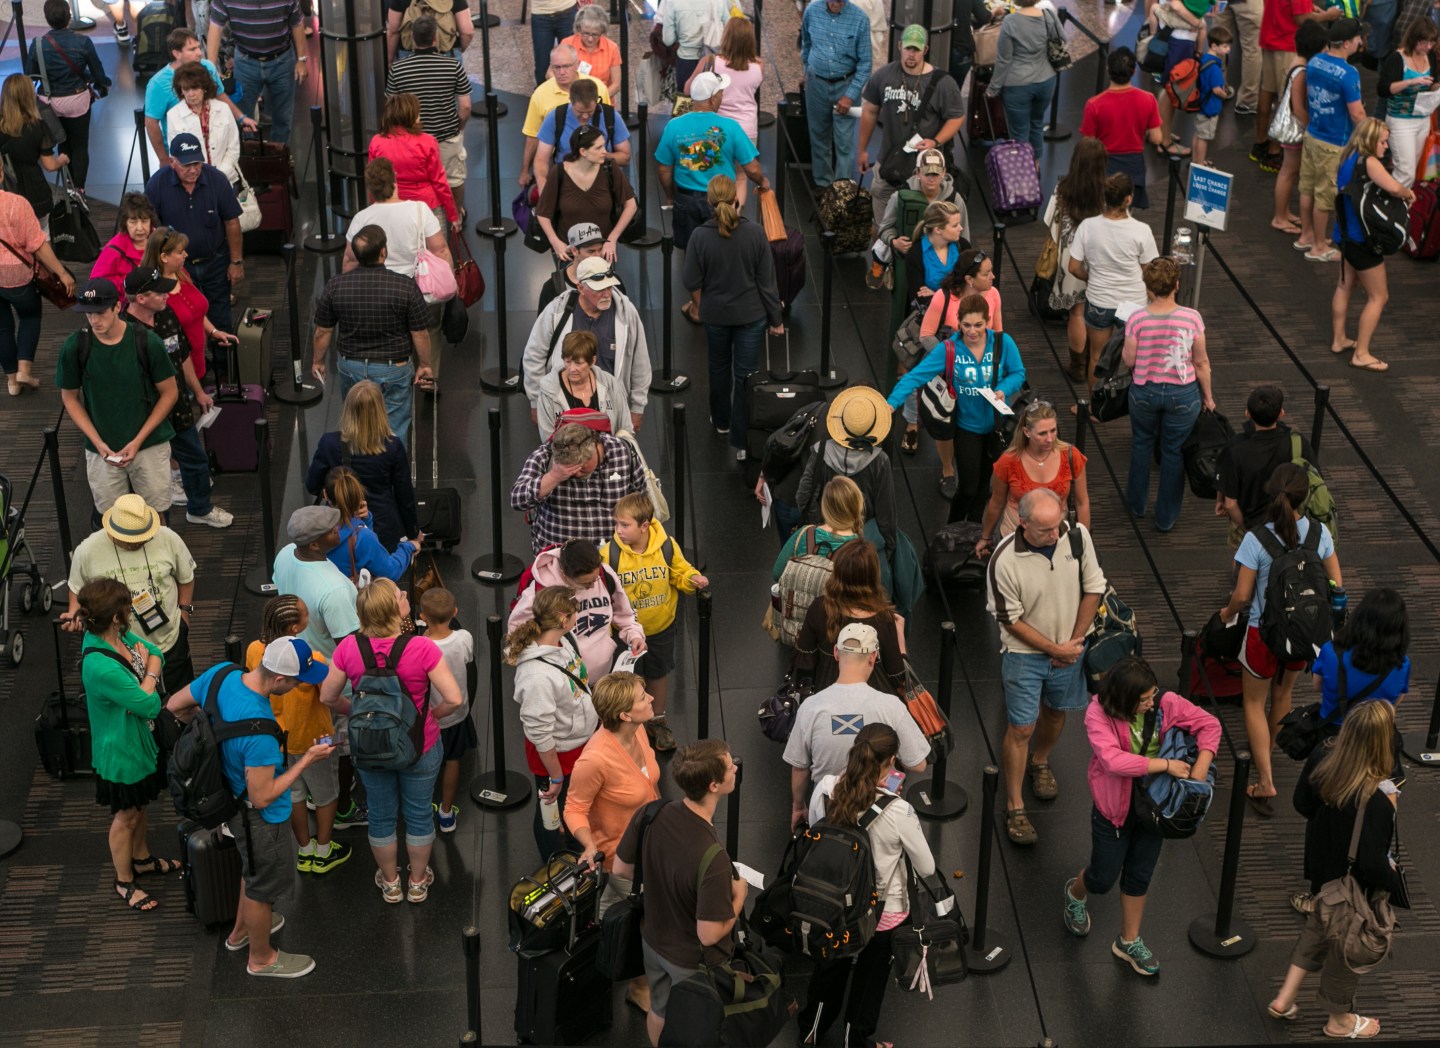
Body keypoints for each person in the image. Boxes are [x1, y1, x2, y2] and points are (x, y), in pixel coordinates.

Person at [166, 638, 334, 978]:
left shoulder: (220, 674)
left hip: (227, 799)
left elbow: (174, 706)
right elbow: (263, 796)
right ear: (279, 681)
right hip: (258, 817)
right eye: (299, 681)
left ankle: (241, 932)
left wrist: (215, 730)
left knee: (251, 871)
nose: (301, 685)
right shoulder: (261, 733)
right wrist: (306, 762)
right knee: (262, 888)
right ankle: (262, 958)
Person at [1063, 656, 1220, 977]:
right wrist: (1166, 766)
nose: (1152, 702)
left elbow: (1209, 724)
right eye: (1144, 699)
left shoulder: (1166, 702)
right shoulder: (1097, 713)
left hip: (1155, 806)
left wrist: (1200, 770)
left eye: (1153, 695)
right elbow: (1111, 760)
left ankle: (1129, 941)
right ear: (1124, 698)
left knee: (1140, 874)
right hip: (1114, 809)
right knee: (1102, 877)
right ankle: (1075, 892)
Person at [1265, 700, 1406, 1037]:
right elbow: (1372, 863)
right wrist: (1393, 879)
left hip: (1323, 869)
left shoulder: (1323, 757)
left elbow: (1301, 803)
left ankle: (1284, 998)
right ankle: (1339, 1021)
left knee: (1318, 924)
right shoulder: (1376, 800)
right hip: (1353, 886)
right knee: (1347, 950)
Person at [319, 579, 462, 903]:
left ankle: (390, 882)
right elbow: (454, 698)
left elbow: (328, 696)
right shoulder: (422, 647)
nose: (404, 596)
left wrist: (354, 708)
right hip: (420, 746)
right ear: (393, 609)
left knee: (382, 816)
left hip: (369, 746)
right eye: (399, 595)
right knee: (419, 813)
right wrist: (432, 716)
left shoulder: (348, 649)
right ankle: (417, 881)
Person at [801, 722, 936, 1048]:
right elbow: (927, 867)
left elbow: (815, 831)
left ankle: (811, 1033)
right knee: (870, 980)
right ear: (891, 764)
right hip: (881, 912)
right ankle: (855, 1040)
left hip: (834, 905)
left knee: (829, 972)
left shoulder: (826, 787)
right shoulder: (899, 810)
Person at [1217, 462, 1341, 817]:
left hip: (1262, 634)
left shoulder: (1256, 539)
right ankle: (1268, 749)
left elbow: (1242, 596)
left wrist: (1226, 615)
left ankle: (1265, 778)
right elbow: (1336, 586)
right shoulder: (1319, 534)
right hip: (1302, 634)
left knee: (1253, 703)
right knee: (1282, 694)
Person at [986, 488, 1106, 846]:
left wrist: (1073, 643)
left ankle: (1041, 761)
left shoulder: (1077, 536)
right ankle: (1015, 806)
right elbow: (1010, 620)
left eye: (1057, 526)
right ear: (1022, 523)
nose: (1055, 535)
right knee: (1021, 727)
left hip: (1071, 648)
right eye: (1045, 530)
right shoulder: (1004, 561)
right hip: (1024, 656)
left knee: (1055, 714)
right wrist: (1055, 648)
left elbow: (1093, 589)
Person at [612, 739, 746, 1047]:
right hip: (690, 962)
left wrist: (660, 880)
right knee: (699, 1027)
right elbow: (709, 934)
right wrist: (739, 896)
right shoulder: (712, 858)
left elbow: (620, 868)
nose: (735, 767)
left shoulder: (651, 812)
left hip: (652, 940)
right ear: (714, 785)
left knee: (659, 1009)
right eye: (729, 766)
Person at [74, 577, 177, 914]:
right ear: (116, 617)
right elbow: (149, 704)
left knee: (140, 806)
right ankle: (124, 880)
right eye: (126, 608)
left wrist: (149, 665)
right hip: (122, 752)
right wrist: (149, 673)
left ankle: (142, 859)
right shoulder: (101, 664)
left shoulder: (113, 634)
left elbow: (156, 651)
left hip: (139, 742)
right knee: (126, 816)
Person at [563, 671, 660, 1012]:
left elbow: (649, 786)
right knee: (650, 920)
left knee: (642, 915)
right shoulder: (595, 759)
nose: (649, 698)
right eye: (642, 697)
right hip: (621, 858)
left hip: (650, 846)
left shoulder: (640, 731)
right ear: (624, 715)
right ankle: (640, 986)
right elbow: (574, 808)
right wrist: (589, 846)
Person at [887, 294, 1027, 522]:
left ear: (988, 321)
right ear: (959, 323)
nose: (972, 331)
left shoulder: (1003, 343)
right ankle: (952, 528)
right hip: (966, 428)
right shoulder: (949, 349)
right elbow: (914, 377)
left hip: (997, 427)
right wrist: (891, 404)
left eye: (979, 325)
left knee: (984, 486)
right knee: (969, 487)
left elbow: (1019, 373)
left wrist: (1002, 389)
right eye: (967, 325)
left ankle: (972, 531)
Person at [120, 265, 235, 529]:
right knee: (148, 477)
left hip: (179, 405)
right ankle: (154, 529)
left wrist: (198, 392)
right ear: (140, 299)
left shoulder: (165, 313)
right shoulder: (124, 331)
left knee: (195, 460)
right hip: (144, 416)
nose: (166, 295)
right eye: (159, 292)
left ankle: (200, 508)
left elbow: (182, 355)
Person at [784, 622, 930, 829]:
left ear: (836, 653)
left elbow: (799, 767)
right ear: (873, 657)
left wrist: (798, 807)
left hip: (827, 814)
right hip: (879, 815)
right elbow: (918, 763)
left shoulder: (810, 707)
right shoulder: (891, 706)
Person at [681, 173, 784, 462]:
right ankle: (741, 439)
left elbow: (690, 278)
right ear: (736, 199)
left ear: (709, 201)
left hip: (715, 316)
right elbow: (767, 282)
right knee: (747, 376)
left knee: (718, 368)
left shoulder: (700, 236)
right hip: (751, 317)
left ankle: (721, 420)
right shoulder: (754, 233)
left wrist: (700, 305)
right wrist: (776, 319)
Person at [246, 596, 351, 876]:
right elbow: (329, 697)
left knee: (295, 794)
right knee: (327, 794)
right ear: (294, 628)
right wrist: (355, 709)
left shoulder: (255, 650)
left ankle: (304, 850)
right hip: (317, 740)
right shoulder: (311, 660)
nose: (308, 617)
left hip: (279, 739)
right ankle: (324, 849)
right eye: (305, 615)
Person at [56, 279, 178, 518]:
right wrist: (97, 442)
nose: (94, 321)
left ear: (117, 307)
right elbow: (70, 398)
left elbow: (170, 393)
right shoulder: (75, 346)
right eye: (88, 314)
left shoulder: (147, 341)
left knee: (155, 516)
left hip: (150, 444)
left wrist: (138, 440)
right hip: (102, 449)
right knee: (112, 520)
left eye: (100, 313)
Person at [601, 492, 707, 752]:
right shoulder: (609, 554)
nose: (619, 530)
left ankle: (656, 721)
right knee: (628, 681)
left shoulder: (666, 546)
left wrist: (692, 579)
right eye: (617, 524)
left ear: (644, 526)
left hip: (661, 629)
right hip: (624, 634)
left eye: (625, 525)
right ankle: (628, 729)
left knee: (658, 674)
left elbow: (680, 572)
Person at [310, 224, 434, 438]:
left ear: (356, 255)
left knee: (356, 424)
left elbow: (323, 331)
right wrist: (424, 364)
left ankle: (361, 468)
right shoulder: (405, 286)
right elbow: (420, 333)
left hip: (351, 367)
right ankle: (392, 469)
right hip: (393, 368)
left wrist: (318, 361)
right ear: (383, 252)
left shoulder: (336, 285)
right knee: (395, 428)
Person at [1122, 256, 1217, 532]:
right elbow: (1201, 362)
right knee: (1174, 451)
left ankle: (1136, 504)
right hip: (1183, 393)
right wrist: (1208, 398)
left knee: (1141, 444)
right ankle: (1165, 517)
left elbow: (1129, 359)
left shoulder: (1137, 318)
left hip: (1144, 391)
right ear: (1177, 284)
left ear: (1148, 288)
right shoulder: (1192, 318)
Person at [506, 584, 598, 858]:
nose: (577, 617)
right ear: (561, 617)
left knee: (572, 806)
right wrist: (555, 775)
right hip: (558, 756)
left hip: (577, 745)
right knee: (551, 814)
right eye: (574, 613)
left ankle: (571, 851)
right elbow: (539, 732)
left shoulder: (564, 641)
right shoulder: (535, 676)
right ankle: (556, 864)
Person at [341, 160, 452, 380]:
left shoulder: (361, 218)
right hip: (420, 288)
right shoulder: (420, 210)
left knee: (391, 335)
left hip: (378, 291)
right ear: (394, 179)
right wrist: (449, 278)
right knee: (429, 329)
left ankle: (397, 375)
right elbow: (440, 250)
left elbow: (349, 261)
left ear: (370, 188)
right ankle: (430, 377)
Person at [522, 257, 651, 430]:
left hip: (610, 407)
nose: (607, 294)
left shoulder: (626, 313)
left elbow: (640, 363)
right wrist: (536, 401)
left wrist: (637, 409)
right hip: (565, 408)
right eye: (599, 289)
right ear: (581, 288)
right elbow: (533, 356)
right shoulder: (557, 311)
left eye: (609, 286)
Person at [857, 24, 965, 224]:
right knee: (882, 227)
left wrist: (935, 141)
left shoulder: (942, 82)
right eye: (908, 48)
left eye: (916, 49)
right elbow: (870, 111)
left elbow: (957, 116)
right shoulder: (883, 76)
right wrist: (862, 149)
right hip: (888, 163)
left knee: (922, 225)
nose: (911, 54)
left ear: (925, 50)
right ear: (899, 46)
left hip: (924, 172)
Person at [1330, 117, 1413, 372]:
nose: (1386, 146)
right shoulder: (1369, 162)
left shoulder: (1349, 156)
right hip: (1362, 241)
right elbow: (1396, 188)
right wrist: (1409, 194)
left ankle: (1339, 339)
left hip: (1344, 234)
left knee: (1345, 286)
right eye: (1383, 141)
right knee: (1379, 296)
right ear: (1370, 141)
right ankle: (1361, 353)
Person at [1067, 173, 1158, 397]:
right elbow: (1149, 269)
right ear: (1128, 199)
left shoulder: (1088, 227)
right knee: (1135, 358)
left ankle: (1095, 409)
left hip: (1099, 300)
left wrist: (1092, 277)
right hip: (1134, 303)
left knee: (1097, 356)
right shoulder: (1142, 230)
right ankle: (1135, 404)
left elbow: (1073, 267)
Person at [145, 132, 244, 338]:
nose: (193, 170)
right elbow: (148, 228)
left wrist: (236, 261)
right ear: (172, 162)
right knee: (181, 319)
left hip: (215, 261)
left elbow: (232, 222)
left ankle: (223, 367)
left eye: (197, 164)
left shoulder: (217, 179)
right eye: (186, 165)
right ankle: (194, 369)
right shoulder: (157, 184)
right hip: (176, 267)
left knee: (221, 317)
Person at [654, 71, 769, 247]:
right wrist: (763, 182)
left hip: (686, 201)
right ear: (712, 98)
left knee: (691, 251)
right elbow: (752, 169)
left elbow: (663, 169)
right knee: (723, 249)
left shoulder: (673, 126)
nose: (722, 96)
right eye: (721, 93)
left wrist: (671, 196)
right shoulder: (731, 127)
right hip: (721, 203)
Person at [306, 379, 420, 551]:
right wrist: (413, 532)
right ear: (380, 411)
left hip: (339, 527)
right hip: (383, 529)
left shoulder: (329, 443)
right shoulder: (393, 446)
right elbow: (405, 497)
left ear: (348, 409)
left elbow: (312, 485)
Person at [511, 536, 646, 675]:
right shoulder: (540, 592)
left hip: (602, 676)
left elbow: (625, 616)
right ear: (566, 574)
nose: (593, 585)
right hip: (562, 681)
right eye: (586, 583)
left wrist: (634, 635)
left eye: (596, 577)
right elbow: (517, 637)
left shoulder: (605, 574)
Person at [511, 422, 648, 550]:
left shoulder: (623, 452)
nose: (575, 473)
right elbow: (517, 500)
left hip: (615, 554)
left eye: (581, 466)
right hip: (561, 557)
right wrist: (554, 476)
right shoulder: (544, 456)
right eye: (569, 468)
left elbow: (640, 499)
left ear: (594, 449)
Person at [978, 401, 1090, 556]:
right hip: (1016, 538)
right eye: (1042, 433)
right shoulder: (1008, 461)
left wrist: (1084, 540)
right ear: (1026, 432)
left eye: (1053, 430)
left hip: (1057, 537)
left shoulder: (1071, 456)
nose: (1050, 439)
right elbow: (996, 502)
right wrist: (986, 537)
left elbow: (1082, 502)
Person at [1296, 19, 1367, 262]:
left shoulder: (1315, 61)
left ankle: (1305, 236)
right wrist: (1369, 134)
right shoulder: (1349, 73)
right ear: (1347, 43)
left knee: (1307, 187)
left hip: (1313, 134)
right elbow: (1357, 113)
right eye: (1358, 38)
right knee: (1325, 197)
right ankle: (1318, 247)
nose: (1360, 42)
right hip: (1334, 142)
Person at [794, 539, 905, 694]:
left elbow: (804, 664)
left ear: (838, 572)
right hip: (871, 705)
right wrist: (900, 640)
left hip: (827, 697)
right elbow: (898, 677)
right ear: (873, 575)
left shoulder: (819, 608)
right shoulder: (883, 618)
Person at [797, 386, 899, 556]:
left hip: (825, 539)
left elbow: (804, 496)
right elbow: (886, 512)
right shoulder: (880, 461)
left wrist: (821, 527)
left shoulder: (820, 451)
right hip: (862, 543)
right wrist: (889, 549)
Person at [384, 15, 472, 204]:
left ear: (412, 38)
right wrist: (458, 126)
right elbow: (465, 105)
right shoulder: (453, 66)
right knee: (454, 179)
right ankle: (456, 217)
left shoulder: (398, 70)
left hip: (411, 140)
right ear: (436, 38)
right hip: (446, 137)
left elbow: (390, 107)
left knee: (416, 181)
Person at [1216, 383, 1316, 546]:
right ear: (1281, 413)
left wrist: (1250, 531)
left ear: (1247, 414)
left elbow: (1230, 503)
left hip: (1252, 526)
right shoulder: (1296, 443)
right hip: (1289, 524)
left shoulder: (1235, 449)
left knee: (1244, 562)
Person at [0, 183, 74, 396]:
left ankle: (12, 382)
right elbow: (37, 245)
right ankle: (24, 370)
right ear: (2, 173)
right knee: (30, 316)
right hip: (18, 275)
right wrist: (61, 272)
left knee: (2, 328)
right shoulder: (17, 204)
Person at [1044, 136, 1108, 379]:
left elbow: (1049, 222)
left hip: (1071, 259)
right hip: (1102, 257)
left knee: (1077, 312)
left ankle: (1078, 366)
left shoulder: (1063, 188)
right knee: (1099, 310)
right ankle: (1096, 360)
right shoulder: (1108, 192)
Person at [29, 0, 109, 192]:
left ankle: (67, 184)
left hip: (50, 104)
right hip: (77, 101)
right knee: (80, 145)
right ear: (69, 17)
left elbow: (30, 75)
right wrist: (102, 85)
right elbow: (98, 74)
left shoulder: (37, 44)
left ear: (47, 19)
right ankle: (79, 189)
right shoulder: (83, 42)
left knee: (63, 143)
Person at [139, 226, 229, 392]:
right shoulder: (154, 295)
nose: (186, 255)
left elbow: (197, 312)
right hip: (176, 373)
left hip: (197, 363)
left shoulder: (181, 272)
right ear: (164, 257)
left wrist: (213, 331)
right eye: (181, 252)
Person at [205, 0, 306, 146]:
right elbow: (215, 27)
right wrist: (211, 68)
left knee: (283, 117)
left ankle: (279, 159)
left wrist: (302, 59)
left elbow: (297, 23)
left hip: (282, 60)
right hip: (246, 61)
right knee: (242, 116)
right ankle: (251, 157)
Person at [144, 28, 250, 167]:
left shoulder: (208, 67)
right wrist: (163, 159)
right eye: (192, 49)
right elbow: (151, 123)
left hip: (215, 146)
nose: (199, 53)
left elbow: (220, 96)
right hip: (184, 155)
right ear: (176, 53)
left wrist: (241, 118)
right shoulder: (157, 83)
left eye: (199, 47)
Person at [419, 587, 476, 834]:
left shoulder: (419, 644)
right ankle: (446, 812)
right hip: (456, 714)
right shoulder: (464, 638)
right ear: (455, 612)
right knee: (453, 760)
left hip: (428, 718)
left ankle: (421, 809)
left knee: (426, 764)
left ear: (422, 616)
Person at [271, 505, 360, 659]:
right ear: (314, 545)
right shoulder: (334, 589)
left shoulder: (285, 553)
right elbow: (350, 648)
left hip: (299, 659)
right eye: (330, 530)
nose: (337, 528)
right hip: (330, 674)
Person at [801, 0, 873, 189]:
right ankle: (824, 188)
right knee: (818, 138)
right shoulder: (812, 11)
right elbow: (806, 44)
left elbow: (865, 63)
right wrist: (807, 70)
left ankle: (842, 190)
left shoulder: (860, 19)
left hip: (846, 86)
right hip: (816, 86)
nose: (836, 3)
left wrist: (850, 95)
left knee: (844, 143)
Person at [873, 148, 968, 290]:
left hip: (945, 264)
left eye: (936, 173)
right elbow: (885, 227)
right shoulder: (900, 196)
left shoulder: (955, 198)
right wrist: (894, 241)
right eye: (927, 173)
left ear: (943, 173)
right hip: (908, 263)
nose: (932, 178)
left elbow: (964, 235)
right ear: (917, 173)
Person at [535, 123, 637, 256]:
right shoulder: (559, 172)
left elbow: (631, 205)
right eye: (598, 147)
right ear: (583, 151)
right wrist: (555, 242)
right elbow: (543, 213)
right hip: (569, 252)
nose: (605, 151)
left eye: (604, 145)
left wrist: (611, 240)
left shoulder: (610, 168)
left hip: (601, 251)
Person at [521, 45, 611, 186]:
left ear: (577, 64)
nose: (562, 72)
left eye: (566, 66)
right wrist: (525, 171)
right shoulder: (540, 94)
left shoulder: (598, 88)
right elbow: (532, 135)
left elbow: (609, 123)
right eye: (556, 67)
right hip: (561, 167)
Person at [1271, 21, 1330, 236]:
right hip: (1294, 132)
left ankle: (1284, 211)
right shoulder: (1303, 72)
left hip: (1291, 130)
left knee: (1290, 172)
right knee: (1288, 172)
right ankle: (1279, 217)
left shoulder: (1298, 64)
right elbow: (1298, 107)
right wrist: (1311, 128)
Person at [1080, 52, 1160, 208]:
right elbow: (1157, 138)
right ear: (1134, 71)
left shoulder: (1094, 104)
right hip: (1134, 166)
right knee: (1127, 210)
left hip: (1104, 165)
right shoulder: (1148, 99)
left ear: (1108, 70)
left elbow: (1087, 145)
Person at [368, 93, 459, 229]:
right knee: (436, 249)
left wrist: (375, 207)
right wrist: (453, 215)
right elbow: (439, 182)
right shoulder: (428, 142)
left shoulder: (376, 142)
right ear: (410, 116)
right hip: (427, 206)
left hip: (391, 205)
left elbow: (373, 180)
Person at [987, 0, 1058, 159]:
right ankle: (1036, 167)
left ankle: (1024, 174)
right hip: (1046, 81)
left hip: (1017, 84)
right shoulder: (1049, 15)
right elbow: (1063, 40)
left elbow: (1004, 60)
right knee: (1037, 125)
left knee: (1020, 132)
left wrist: (993, 88)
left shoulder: (1010, 21)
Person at [322, 466, 419, 584]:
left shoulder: (313, 526)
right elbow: (391, 571)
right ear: (358, 494)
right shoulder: (363, 537)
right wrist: (408, 546)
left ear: (325, 494)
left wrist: (365, 521)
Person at [533, 78, 631, 192]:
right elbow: (541, 159)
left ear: (596, 101)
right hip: (565, 183)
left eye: (590, 112)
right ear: (571, 101)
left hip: (602, 184)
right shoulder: (556, 117)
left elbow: (625, 157)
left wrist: (599, 155)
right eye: (579, 112)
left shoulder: (610, 116)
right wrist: (542, 185)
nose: (585, 117)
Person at [0, 73, 70, 228]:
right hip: (34, 193)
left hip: (6, 191)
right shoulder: (38, 126)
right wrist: (62, 160)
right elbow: (50, 165)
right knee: (41, 237)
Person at [1377, 18, 1440, 189]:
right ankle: (1391, 208)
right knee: (1406, 172)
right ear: (1413, 39)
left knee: (1414, 167)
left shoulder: (1430, 56)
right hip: (1400, 120)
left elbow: (1432, 83)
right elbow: (1383, 89)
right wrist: (1410, 82)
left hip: (1422, 119)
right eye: (1423, 42)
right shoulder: (1397, 59)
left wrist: (1437, 87)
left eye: (1431, 43)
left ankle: (1404, 208)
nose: (1428, 47)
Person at [1153, 0, 1219, 156]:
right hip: (1180, 37)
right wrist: (1198, 23)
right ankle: (1164, 142)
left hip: (1172, 32)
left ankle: (1160, 131)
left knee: (1167, 87)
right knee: (1172, 89)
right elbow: (1176, 4)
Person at [535, 330, 630, 438]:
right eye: (568, 361)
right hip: (564, 454)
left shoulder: (610, 384)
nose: (571, 369)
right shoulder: (548, 390)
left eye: (578, 363)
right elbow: (548, 439)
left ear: (592, 361)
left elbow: (626, 429)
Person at [685, 17, 765, 143]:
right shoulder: (758, 66)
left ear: (726, 38)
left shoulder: (710, 62)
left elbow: (687, 90)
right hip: (747, 130)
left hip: (715, 129)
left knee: (715, 162)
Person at [773, 474, 866, 579]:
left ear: (825, 506)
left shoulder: (804, 534)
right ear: (857, 506)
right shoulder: (860, 551)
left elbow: (777, 573)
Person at [166, 61, 240, 183]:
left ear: (205, 87)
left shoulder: (223, 109)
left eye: (195, 88)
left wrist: (220, 174)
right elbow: (177, 154)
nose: (191, 94)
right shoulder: (173, 115)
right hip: (194, 182)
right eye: (186, 89)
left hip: (225, 179)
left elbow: (233, 147)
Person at [536, 222, 627, 313]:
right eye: (591, 251)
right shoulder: (554, 286)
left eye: (600, 249)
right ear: (574, 251)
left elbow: (625, 316)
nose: (597, 256)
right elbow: (544, 323)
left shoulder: (613, 281)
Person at [90, 194, 157, 303]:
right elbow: (95, 285)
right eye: (133, 222)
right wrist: (129, 281)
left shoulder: (158, 239)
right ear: (125, 224)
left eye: (144, 221)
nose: (140, 228)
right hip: (127, 306)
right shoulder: (113, 249)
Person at [1187, 27, 1233, 168]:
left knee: (1198, 134)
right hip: (1210, 107)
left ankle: (1195, 161)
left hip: (1202, 104)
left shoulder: (1204, 59)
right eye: (1225, 46)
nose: (1228, 49)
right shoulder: (1214, 67)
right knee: (1204, 137)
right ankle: (1200, 164)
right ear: (1214, 46)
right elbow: (1217, 90)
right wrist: (1225, 95)